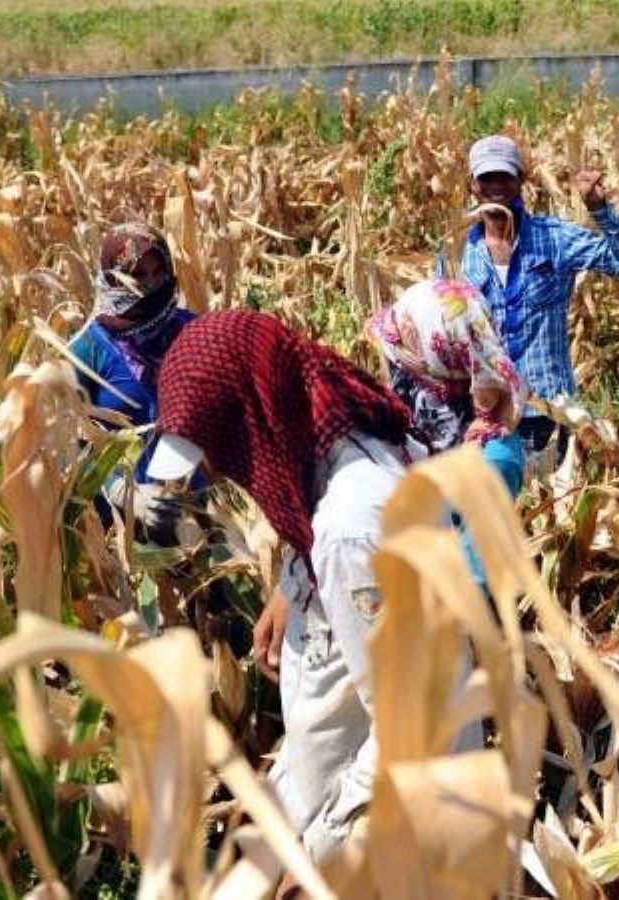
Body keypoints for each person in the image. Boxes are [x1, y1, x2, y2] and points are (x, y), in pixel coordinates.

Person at [146, 310, 476, 866]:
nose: (219, 471)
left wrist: (328, 849)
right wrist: (294, 583)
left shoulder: (351, 532)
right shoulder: (355, 435)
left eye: (220, 450)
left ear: (254, 426)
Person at [457, 134, 619, 457]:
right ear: (473, 185)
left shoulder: (555, 239)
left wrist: (599, 209)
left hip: (545, 412)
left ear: (521, 179)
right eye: (486, 178)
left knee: (547, 489)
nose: (496, 186)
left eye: (504, 176)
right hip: (485, 415)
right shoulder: (457, 253)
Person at [367, 277, 528, 585]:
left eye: (403, 358)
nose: (395, 372)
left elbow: (471, 583)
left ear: (435, 363)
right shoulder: (418, 420)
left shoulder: (494, 462)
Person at [68, 221, 197, 543]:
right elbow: (57, 440)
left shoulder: (195, 332)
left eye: (159, 273)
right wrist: (124, 493)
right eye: (138, 275)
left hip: (198, 517)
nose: (151, 286)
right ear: (113, 278)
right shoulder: (88, 350)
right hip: (123, 535)